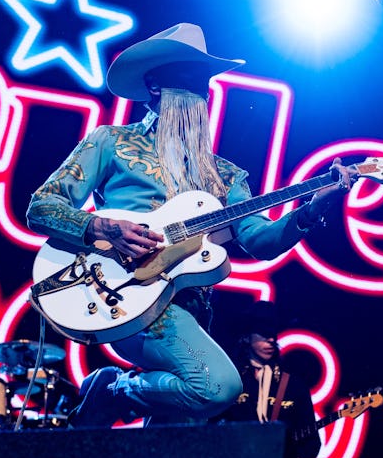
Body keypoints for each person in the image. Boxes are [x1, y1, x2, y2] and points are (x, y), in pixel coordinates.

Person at [26, 22, 357, 428]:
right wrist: (106, 228)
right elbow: (42, 206)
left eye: (204, 83)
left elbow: (260, 240)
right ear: (155, 87)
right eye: (187, 81)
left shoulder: (226, 176)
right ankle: (114, 388)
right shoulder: (111, 142)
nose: (200, 95)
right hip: (123, 293)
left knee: (174, 449)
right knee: (217, 386)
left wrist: (312, 208)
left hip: (191, 308)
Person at [213, 300, 321, 458]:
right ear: (247, 337)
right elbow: (213, 430)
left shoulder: (294, 386)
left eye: (273, 334)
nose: (271, 340)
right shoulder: (231, 382)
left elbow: (312, 441)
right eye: (264, 334)